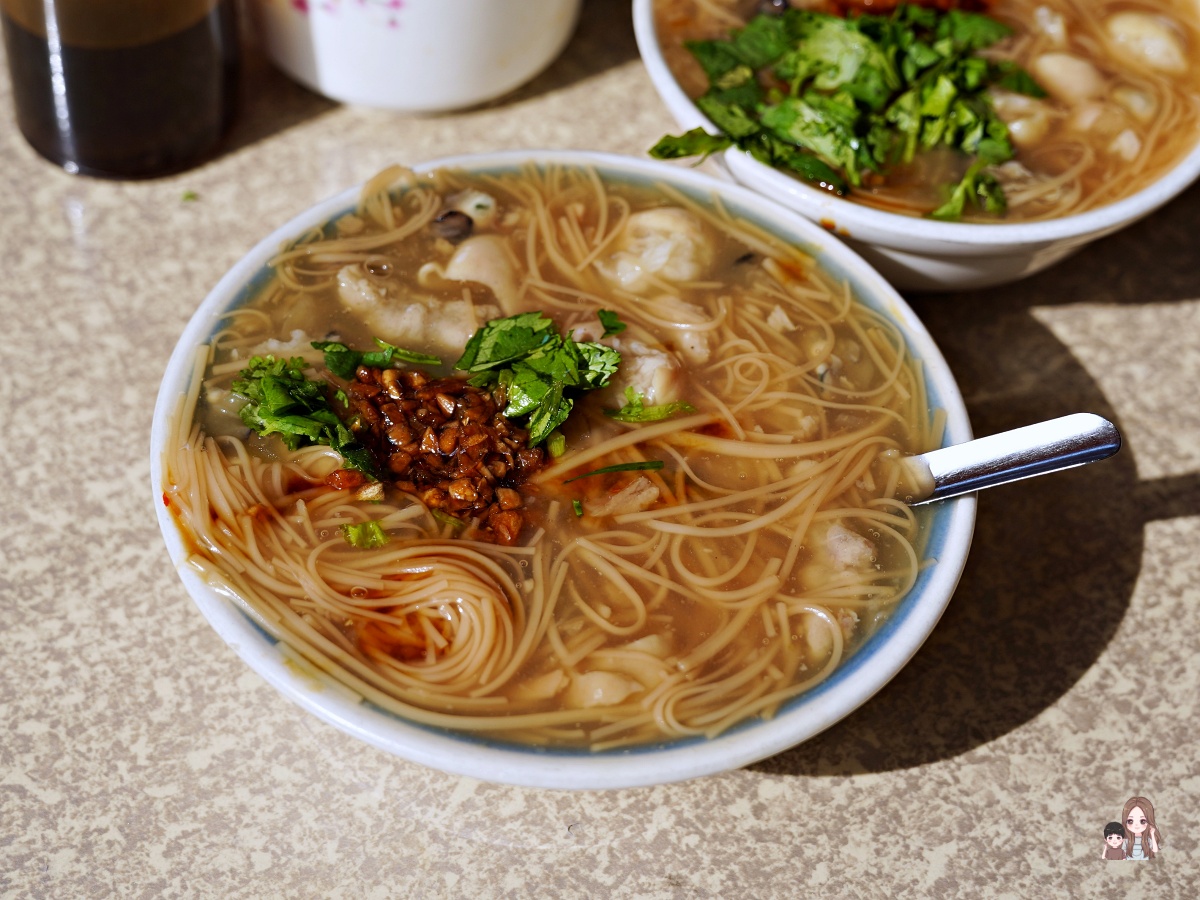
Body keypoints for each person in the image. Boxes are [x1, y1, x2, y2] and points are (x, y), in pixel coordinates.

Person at [1121, 796, 1162, 860]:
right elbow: (1123, 853)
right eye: (1130, 821)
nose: (1136, 825)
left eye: (1142, 821)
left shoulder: (1147, 840)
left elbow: (1155, 850)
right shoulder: (1127, 840)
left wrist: (1152, 834)